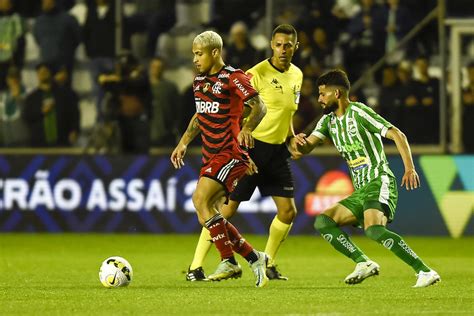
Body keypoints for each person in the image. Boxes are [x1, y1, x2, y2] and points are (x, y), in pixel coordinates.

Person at [289, 69, 440, 288]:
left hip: (379, 180)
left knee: (373, 229)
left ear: (337, 93)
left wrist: (409, 168)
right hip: (360, 190)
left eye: (323, 94)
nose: (319, 99)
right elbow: (303, 150)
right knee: (324, 221)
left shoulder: (359, 112)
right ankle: (363, 262)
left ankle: (425, 271)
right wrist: (296, 141)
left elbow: (398, 134)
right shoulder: (327, 122)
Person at [186, 24, 302, 282]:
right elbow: (238, 106)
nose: (283, 49)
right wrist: (244, 132)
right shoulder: (254, 73)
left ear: (296, 47)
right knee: (219, 209)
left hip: (276, 150)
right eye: (279, 44)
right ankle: (201, 264)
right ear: (272, 44)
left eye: (288, 45)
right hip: (249, 148)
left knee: (287, 211)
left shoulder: (297, 75)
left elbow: (286, 111)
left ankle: (263, 261)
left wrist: (292, 137)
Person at [170, 30, 269, 287]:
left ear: (215, 52)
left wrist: (247, 129)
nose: (195, 59)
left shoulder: (233, 77)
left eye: (199, 53)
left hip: (230, 153)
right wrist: (183, 142)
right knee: (208, 216)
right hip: (210, 156)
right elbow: (199, 116)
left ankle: (229, 261)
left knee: (199, 199)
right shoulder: (199, 81)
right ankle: (253, 256)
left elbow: (260, 105)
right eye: (193, 54)